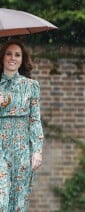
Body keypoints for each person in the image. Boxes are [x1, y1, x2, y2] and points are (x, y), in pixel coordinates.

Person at [0, 40, 43, 211]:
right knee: (1, 200)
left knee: (18, 204)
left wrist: (37, 150)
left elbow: (35, 120)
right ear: (2, 57)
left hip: (21, 149)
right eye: (8, 53)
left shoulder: (31, 86)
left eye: (17, 55)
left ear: (22, 59)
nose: (12, 58)